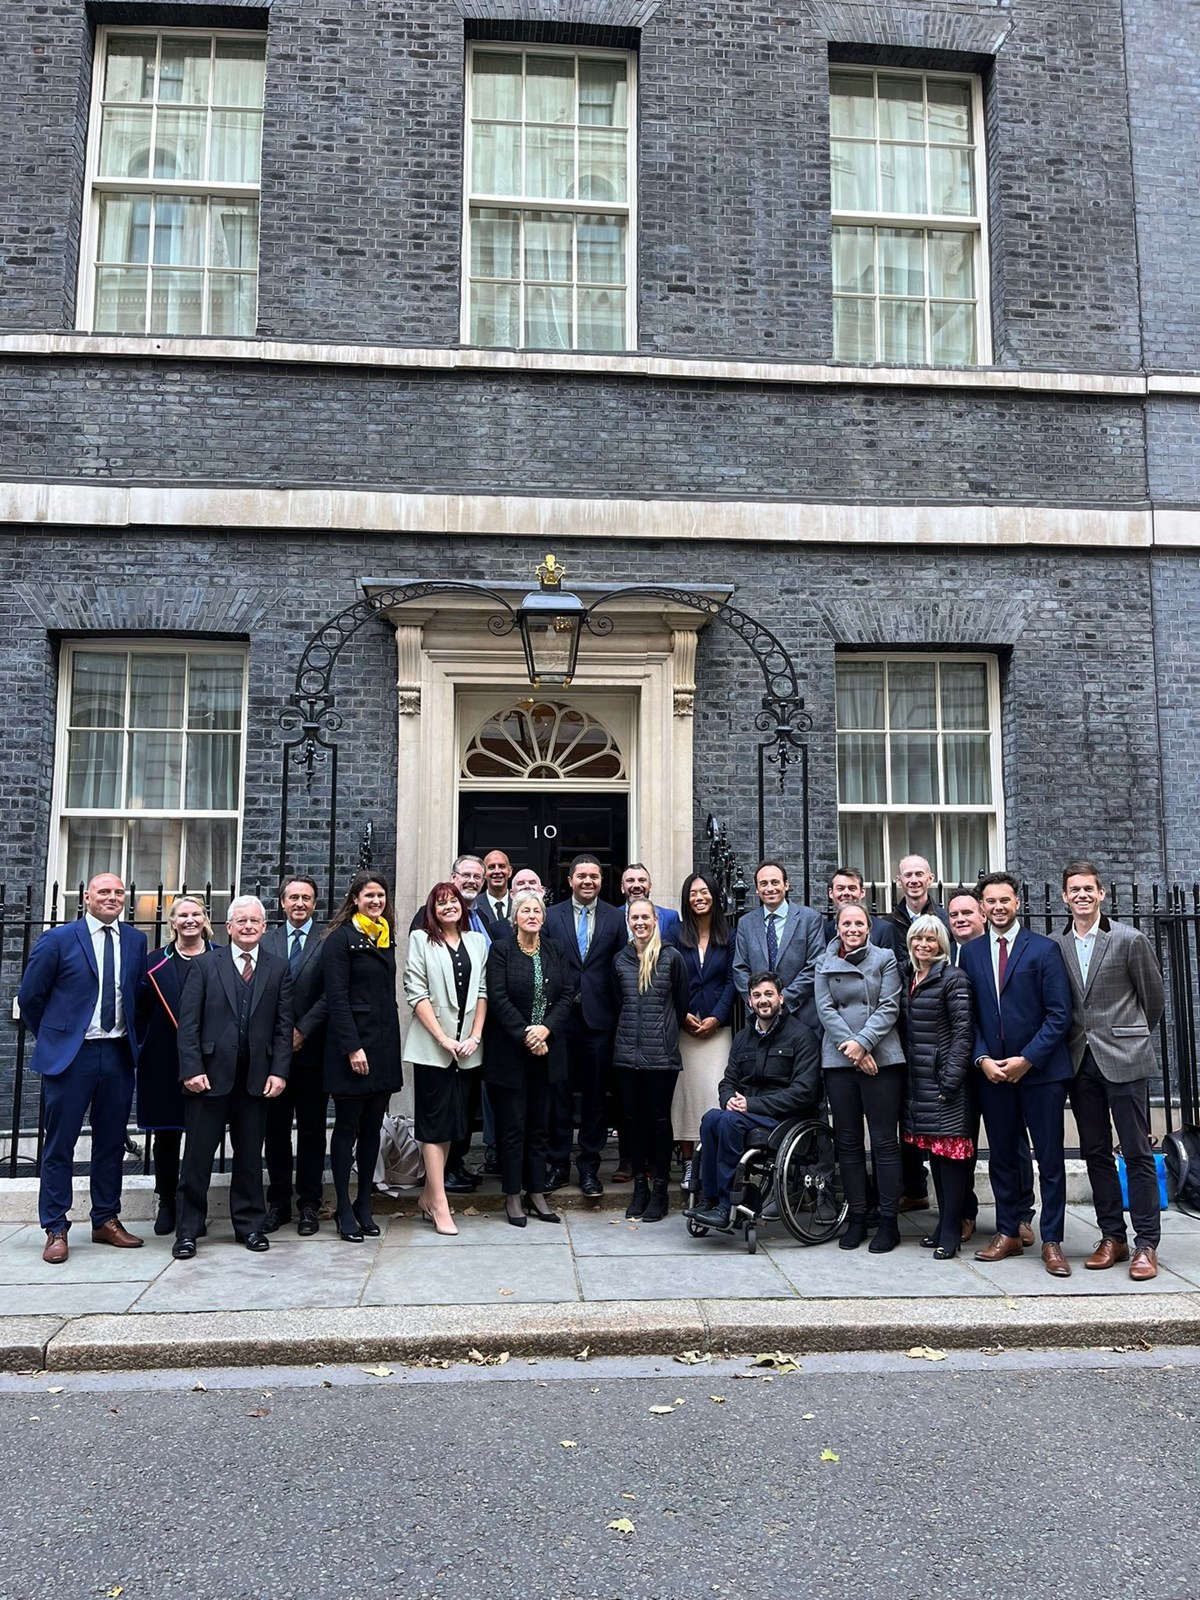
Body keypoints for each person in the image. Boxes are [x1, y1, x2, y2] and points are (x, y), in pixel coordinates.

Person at [18, 872, 149, 1264]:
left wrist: (134, 1040)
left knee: (111, 1142)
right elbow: (30, 997)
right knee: (60, 1144)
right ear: (86, 897)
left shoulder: (136, 939)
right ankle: (55, 1226)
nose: (112, 897)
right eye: (103, 891)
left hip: (116, 1055)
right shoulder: (59, 939)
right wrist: (57, 1037)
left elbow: (138, 996)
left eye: (118, 891)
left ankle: (105, 1219)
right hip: (71, 1057)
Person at [1053, 859, 1166, 1282]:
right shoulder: (1056, 943)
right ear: (1064, 897)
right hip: (1080, 1061)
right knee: (1095, 1152)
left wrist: (1129, 1035)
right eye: (1074, 889)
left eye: (1089, 889)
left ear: (1102, 894)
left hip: (1125, 1058)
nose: (1082, 895)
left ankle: (1146, 1244)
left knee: (1136, 1151)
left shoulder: (1128, 939)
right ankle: (1112, 1236)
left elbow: (1152, 999)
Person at [959, 872, 1075, 1277]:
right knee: (1003, 1157)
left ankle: (1052, 1240)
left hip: (1040, 1074)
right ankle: (1007, 1231)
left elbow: (1060, 1014)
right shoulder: (969, 954)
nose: (997, 907)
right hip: (992, 1074)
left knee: (1050, 1159)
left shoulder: (1044, 950)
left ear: (1018, 903)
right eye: (990, 901)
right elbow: (966, 1017)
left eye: (1004, 900)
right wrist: (982, 1059)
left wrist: (1027, 1058)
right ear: (982, 906)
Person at [174, 896, 292, 1258]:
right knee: (197, 1157)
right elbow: (188, 1024)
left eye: (254, 921)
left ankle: (249, 1226)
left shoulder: (277, 967)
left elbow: (283, 1027)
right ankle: (188, 1230)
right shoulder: (206, 965)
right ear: (228, 927)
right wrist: (191, 1069)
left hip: (255, 1078)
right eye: (241, 921)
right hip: (208, 1077)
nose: (248, 927)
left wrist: (279, 1072)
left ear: (263, 927)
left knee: (248, 1158)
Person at [688, 971, 823, 1231]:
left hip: (783, 1118)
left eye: (769, 994)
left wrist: (751, 1105)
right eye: (757, 995)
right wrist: (728, 1099)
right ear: (749, 1001)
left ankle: (728, 1205)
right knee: (711, 1118)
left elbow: (803, 1092)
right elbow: (728, 1082)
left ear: (781, 999)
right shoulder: (743, 1037)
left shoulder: (802, 1036)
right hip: (743, 1113)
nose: (763, 1000)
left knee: (728, 1122)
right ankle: (710, 1200)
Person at [947, 885, 1035, 1246]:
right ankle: (965, 1213)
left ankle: (1020, 1215)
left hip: (1002, 1065)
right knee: (961, 1143)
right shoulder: (947, 950)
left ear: (982, 914)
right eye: (954, 915)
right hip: (963, 1067)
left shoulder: (1003, 950)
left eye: (967, 913)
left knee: (1012, 1144)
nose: (961, 919)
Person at [815, 901, 905, 1253]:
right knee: (849, 1143)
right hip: (839, 1060)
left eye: (858, 923)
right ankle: (856, 1217)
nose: (852, 929)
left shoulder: (884, 958)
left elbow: (889, 1006)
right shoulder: (825, 962)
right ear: (837, 927)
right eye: (845, 923)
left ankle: (888, 1221)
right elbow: (825, 1008)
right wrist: (851, 1047)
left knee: (884, 1142)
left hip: (881, 1058)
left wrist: (864, 1044)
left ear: (869, 927)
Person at [484, 891, 576, 1226]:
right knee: (513, 1127)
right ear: (516, 916)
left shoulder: (555, 949)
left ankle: (536, 1192)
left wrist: (546, 1031)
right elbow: (497, 996)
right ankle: (512, 1195)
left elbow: (567, 994)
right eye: (526, 910)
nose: (533, 915)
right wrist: (527, 1033)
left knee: (540, 1127)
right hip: (510, 1053)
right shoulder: (501, 950)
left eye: (538, 910)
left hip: (548, 1052)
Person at [403, 882, 488, 1236]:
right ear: (432, 910)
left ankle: (428, 1195)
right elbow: (415, 991)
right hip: (433, 1048)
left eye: (453, 901)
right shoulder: (421, 940)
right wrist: (443, 1038)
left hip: (467, 1050)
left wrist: (474, 1037)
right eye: (441, 903)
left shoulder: (477, 941)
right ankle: (439, 1203)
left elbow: (482, 991)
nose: (448, 907)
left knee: (454, 1123)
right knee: (433, 1125)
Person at [321, 873, 403, 1242]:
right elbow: (336, 999)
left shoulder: (385, 936)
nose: (376, 901)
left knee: (372, 1130)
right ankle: (342, 1207)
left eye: (380, 895)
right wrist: (353, 1047)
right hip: (353, 1050)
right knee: (347, 1129)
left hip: (383, 1047)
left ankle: (364, 1204)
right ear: (355, 899)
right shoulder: (339, 940)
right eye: (369, 895)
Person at [544, 854, 627, 1196]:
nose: (588, 881)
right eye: (582, 876)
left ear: (601, 881)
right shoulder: (550, 916)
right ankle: (558, 1164)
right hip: (560, 1020)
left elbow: (623, 965)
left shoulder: (615, 918)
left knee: (595, 1097)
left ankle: (590, 1167)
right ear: (570, 880)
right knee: (558, 1094)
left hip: (598, 1020)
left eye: (594, 876)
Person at [135, 896, 218, 1237]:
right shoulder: (153, 962)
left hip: (210, 1059)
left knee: (202, 1136)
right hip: (164, 1058)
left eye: (196, 914)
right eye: (182, 915)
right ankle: (167, 1200)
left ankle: (193, 1203)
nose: (189, 920)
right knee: (166, 1136)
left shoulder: (221, 958)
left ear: (205, 919)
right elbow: (139, 1012)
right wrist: (144, 1048)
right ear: (171, 922)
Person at [611, 899, 691, 1221]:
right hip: (627, 1054)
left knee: (659, 1122)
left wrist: (663, 1034)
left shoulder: (672, 958)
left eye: (645, 916)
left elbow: (681, 1003)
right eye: (635, 917)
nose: (640, 922)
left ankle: (660, 1188)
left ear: (656, 919)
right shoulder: (620, 959)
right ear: (628, 920)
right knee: (632, 1122)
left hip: (661, 1056)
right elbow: (618, 1001)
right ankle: (640, 1189)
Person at [901, 915, 976, 1259]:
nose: (924, 945)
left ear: (942, 945)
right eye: (918, 939)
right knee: (936, 1160)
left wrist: (950, 1079)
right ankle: (942, 1224)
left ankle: (951, 1230)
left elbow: (964, 1033)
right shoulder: (910, 978)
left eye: (931, 940)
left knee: (952, 1163)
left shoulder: (953, 978)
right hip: (920, 1085)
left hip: (947, 1085)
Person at [262, 876, 329, 1236]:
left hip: (312, 1051)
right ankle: (279, 1202)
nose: (300, 903)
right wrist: (280, 1035)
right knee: (275, 1131)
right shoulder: (267, 939)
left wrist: (302, 1030)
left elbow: (331, 992)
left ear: (314, 904)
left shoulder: (327, 939)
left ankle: (309, 1204)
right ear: (282, 903)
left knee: (313, 1131)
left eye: (306, 898)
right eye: (293, 897)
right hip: (273, 1053)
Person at [667, 872, 736, 1188]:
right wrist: (682, 1016)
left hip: (716, 1030)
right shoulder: (673, 933)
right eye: (693, 893)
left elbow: (731, 981)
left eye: (704, 891)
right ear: (686, 898)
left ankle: (710, 1159)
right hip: (683, 1028)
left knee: (713, 1092)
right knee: (686, 1095)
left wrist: (717, 1018)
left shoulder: (729, 935)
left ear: (714, 896)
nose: (699, 897)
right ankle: (687, 1162)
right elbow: (667, 977)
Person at [732, 860, 824, 1035]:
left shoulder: (809, 919)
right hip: (759, 1018)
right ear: (757, 889)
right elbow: (739, 968)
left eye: (775, 882)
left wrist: (783, 1000)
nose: (770, 888)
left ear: (786, 885)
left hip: (801, 1014)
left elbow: (815, 965)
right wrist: (759, 1001)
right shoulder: (746, 923)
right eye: (763, 884)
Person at [822, 866, 900, 954]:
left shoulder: (884, 930)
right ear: (831, 893)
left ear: (862, 892)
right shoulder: (824, 930)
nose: (846, 893)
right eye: (840, 888)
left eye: (852, 888)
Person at [621, 864, 681, 940]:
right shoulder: (612, 917)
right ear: (622, 888)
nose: (636, 885)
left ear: (650, 887)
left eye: (642, 880)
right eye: (630, 880)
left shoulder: (670, 917)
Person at [482, 850, 514, 925]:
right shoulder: (475, 905)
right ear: (483, 873)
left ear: (510, 871)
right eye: (491, 867)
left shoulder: (519, 903)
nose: (497, 871)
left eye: (502, 866)